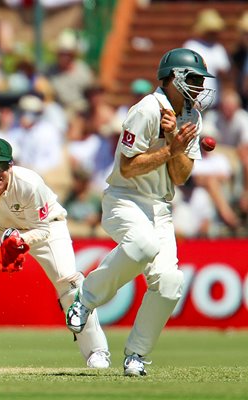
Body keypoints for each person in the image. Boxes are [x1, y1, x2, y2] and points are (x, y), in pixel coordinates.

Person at [65, 48, 216, 376]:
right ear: (172, 78)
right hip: (124, 198)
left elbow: (180, 175)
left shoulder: (192, 116)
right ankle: (85, 299)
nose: (200, 85)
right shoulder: (146, 109)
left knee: (171, 282)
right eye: (193, 78)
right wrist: (169, 147)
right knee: (143, 246)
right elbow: (128, 167)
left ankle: (136, 355)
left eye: (201, 79)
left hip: (161, 208)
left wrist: (174, 140)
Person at [0, 138, 110, 369]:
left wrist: (19, 240)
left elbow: (42, 229)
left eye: (1, 166)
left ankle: (97, 352)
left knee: (69, 285)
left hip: (45, 227)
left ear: (11, 165)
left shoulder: (30, 183)